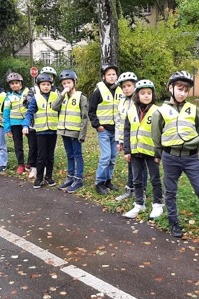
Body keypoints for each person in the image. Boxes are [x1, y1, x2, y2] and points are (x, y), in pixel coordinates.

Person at [151, 71, 199, 238]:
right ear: (170, 88)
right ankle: (173, 222)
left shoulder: (193, 109)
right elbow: (156, 135)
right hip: (170, 157)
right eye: (179, 89)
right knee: (171, 191)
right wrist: (158, 154)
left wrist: (192, 144)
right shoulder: (161, 111)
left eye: (186, 90)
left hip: (191, 157)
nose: (183, 93)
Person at [122, 80, 164, 219]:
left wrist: (159, 153)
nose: (146, 96)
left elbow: (161, 133)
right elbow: (127, 131)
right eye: (143, 93)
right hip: (135, 151)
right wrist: (127, 151)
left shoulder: (157, 111)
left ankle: (158, 204)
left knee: (154, 178)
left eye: (149, 93)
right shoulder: (131, 111)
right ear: (137, 95)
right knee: (137, 179)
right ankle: (139, 204)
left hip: (151, 152)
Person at [51, 69, 88, 193]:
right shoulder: (63, 97)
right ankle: (70, 176)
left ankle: (79, 178)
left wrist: (82, 135)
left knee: (77, 155)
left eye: (69, 82)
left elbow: (84, 117)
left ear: (74, 82)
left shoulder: (81, 97)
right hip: (64, 131)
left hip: (75, 131)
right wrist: (62, 94)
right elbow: (54, 107)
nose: (66, 85)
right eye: (64, 83)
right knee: (69, 155)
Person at [88, 63, 122, 195]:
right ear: (104, 77)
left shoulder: (120, 91)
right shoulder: (98, 92)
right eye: (109, 74)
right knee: (105, 156)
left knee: (113, 157)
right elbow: (91, 111)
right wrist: (97, 125)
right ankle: (99, 182)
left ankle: (108, 180)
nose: (112, 77)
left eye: (114, 74)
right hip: (104, 130)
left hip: (116, 130)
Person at [23, 72, 59, 189]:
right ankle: (39, 178)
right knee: (41, 156)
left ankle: (48, 176)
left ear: (51, 85)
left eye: (48, 84)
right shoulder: (36, 98)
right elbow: (29, 112)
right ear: (39, 86)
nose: (46, 86)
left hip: (53, 131)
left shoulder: (55, 96)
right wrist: (25, 125)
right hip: (41, 131)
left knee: (50, 156)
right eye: (43, 84)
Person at [114, 71, 145, 202]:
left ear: (134, 86)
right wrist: (119, 140)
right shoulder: (121, 101)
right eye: (124, 87)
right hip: (127, 139)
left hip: (139, 140)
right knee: (130, 164)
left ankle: (141, 191)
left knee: (140, 166)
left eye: (129, 86)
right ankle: (130, 189)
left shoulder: (139, 101)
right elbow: (119, 122)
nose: (126, 89)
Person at [3, 72, 31, 175]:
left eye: (16, 83)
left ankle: (30, 162)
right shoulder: (8, 97)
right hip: (15, 123)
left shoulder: (28, 92)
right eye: (12, 83)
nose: (14, 85)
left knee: (33, 143)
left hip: (27, 122)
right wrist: (7, 128)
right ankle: (21, 164)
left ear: (21, 83)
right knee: (18, 145)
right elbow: (5, 113)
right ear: (10, 85)